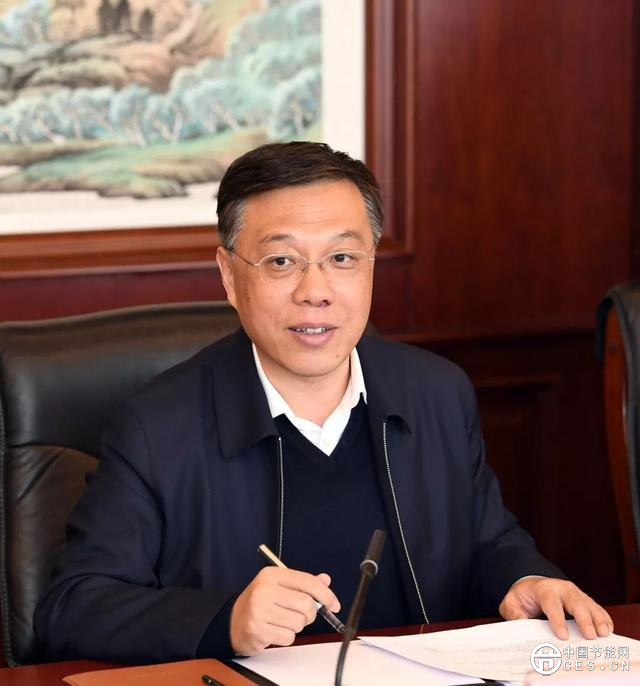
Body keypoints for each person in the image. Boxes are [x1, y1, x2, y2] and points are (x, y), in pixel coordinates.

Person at [34, 142, 612, 663]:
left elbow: (487, 542)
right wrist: (225, 620)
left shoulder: (435, 391)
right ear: (229, 277)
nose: (315, 292)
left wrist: (526, 579)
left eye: (342, 258)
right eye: (281, 261)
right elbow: (73, 608)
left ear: (370, 266)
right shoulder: (156, 426)